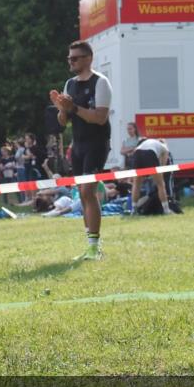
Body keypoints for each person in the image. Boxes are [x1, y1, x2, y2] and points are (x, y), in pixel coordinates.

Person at [49, 40, 113, 259]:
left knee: (88, 191)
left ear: (88, 59)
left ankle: (95, 248)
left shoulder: (101, 82)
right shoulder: (70, 84)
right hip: (77, 144)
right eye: (69, 58)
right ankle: (90, 245)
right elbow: (62, 122)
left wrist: (73, 107)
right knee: (82, 194)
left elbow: (100, 117)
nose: (71, 61)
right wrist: (61, 109)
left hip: (97, 143)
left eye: (75, 58)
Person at [131, 138, 173, 215]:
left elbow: (134, 152)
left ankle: (133, 210)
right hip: (150, 153)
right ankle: (166, 210)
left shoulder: (148, 143)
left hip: (137, 153)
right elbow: (162, 166)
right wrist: (158, 176)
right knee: (161, 184)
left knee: (136, 185)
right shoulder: (165, 147)